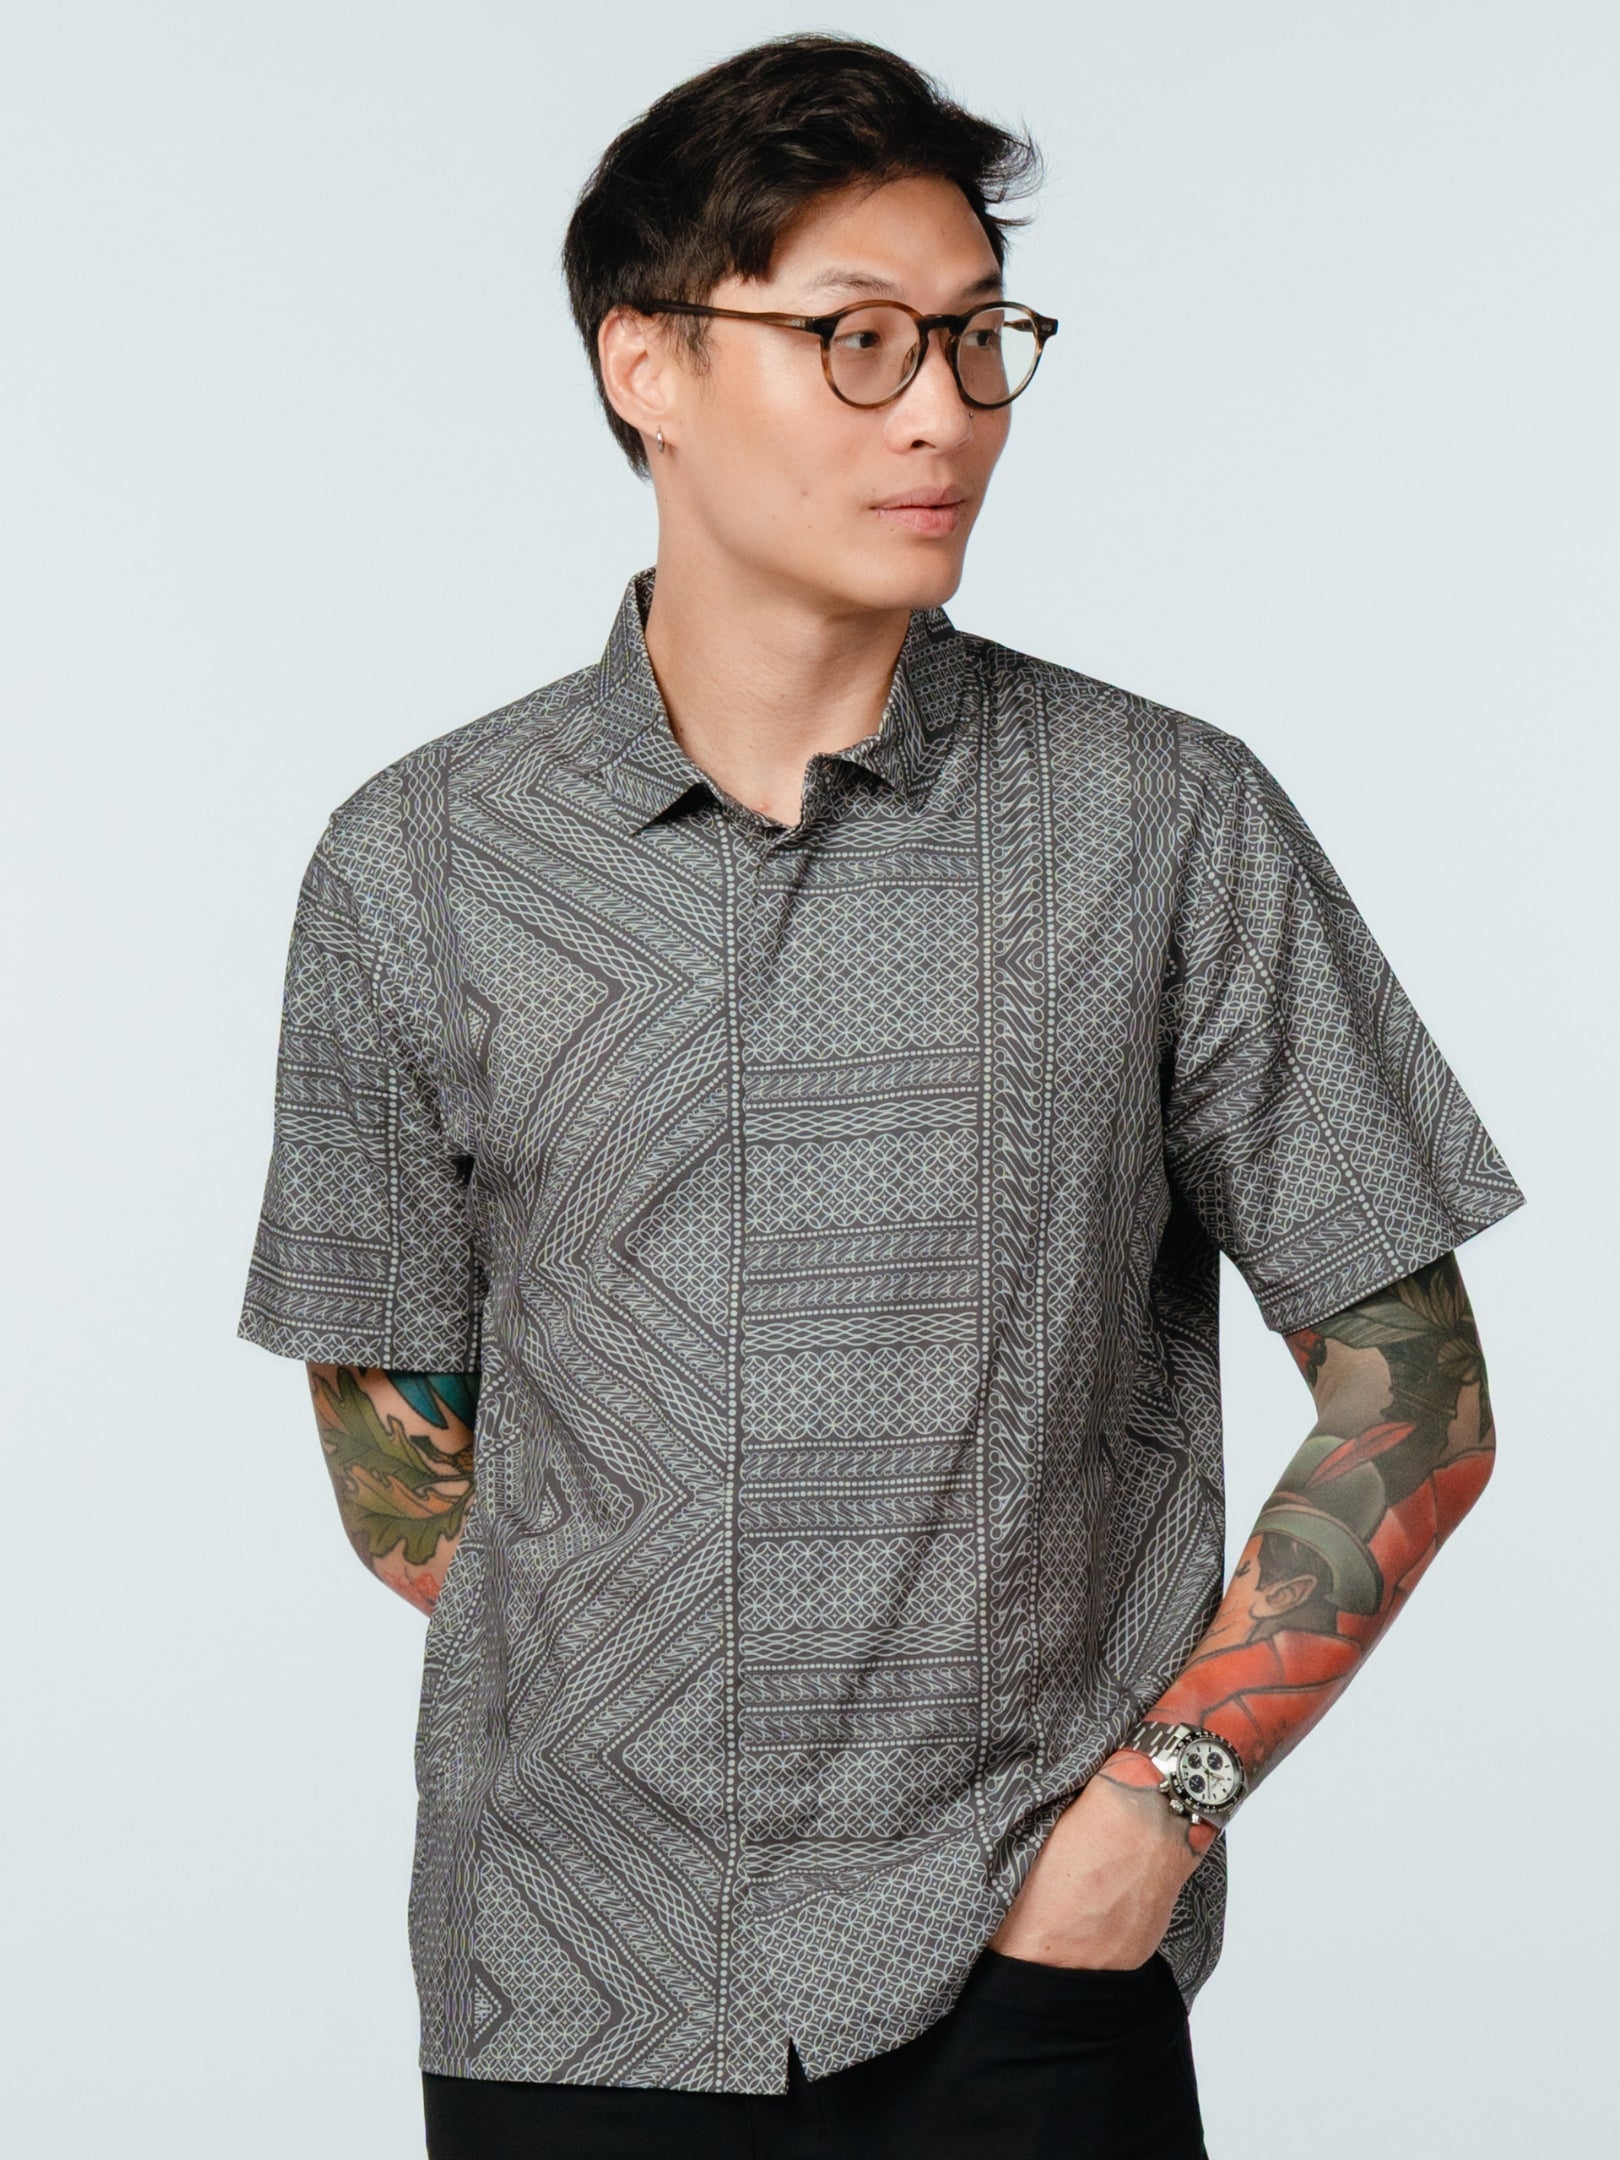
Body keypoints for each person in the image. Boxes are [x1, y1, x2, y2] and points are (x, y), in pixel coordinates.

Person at [235, 33, 1526, 2160]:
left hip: (1024, 1992)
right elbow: (389, 1437)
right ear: (645, 363)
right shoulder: (421, 863)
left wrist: (1151, 1821)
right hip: (565, 1992)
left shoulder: (1161, 821)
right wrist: (646, 1697)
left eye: (976, 338)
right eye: (856, 340)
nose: (942, 410)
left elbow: (1419, 1399)